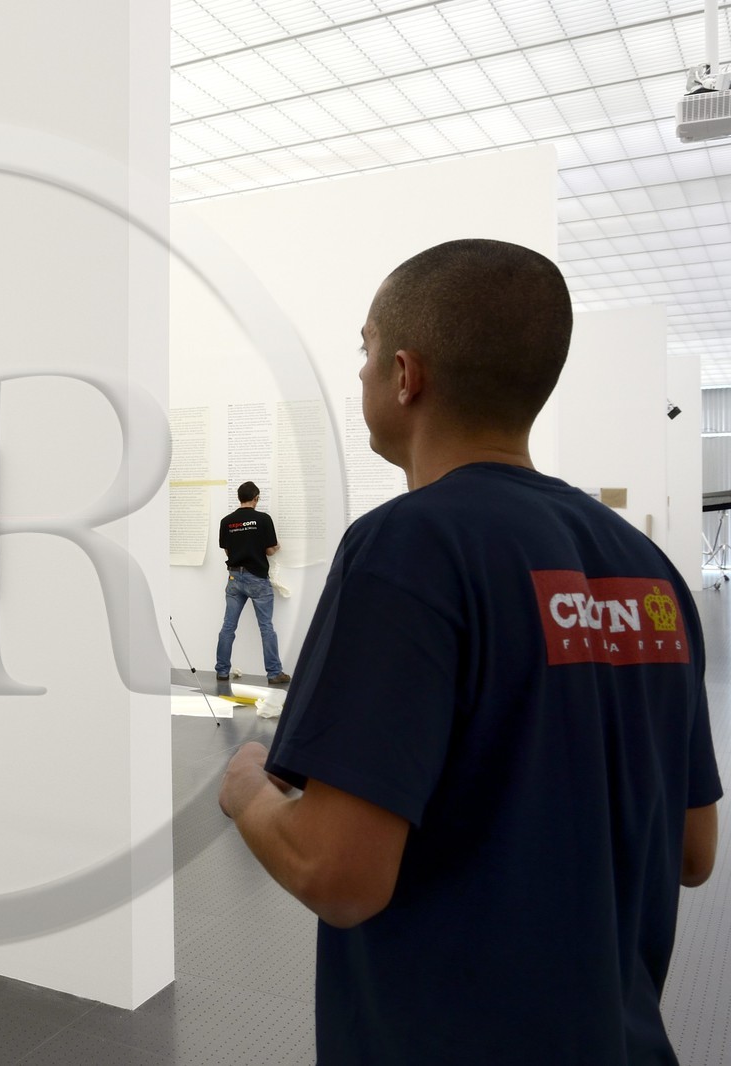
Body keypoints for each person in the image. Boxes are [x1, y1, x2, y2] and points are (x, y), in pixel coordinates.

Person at [218, 240, 722, 1064]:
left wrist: (246, 792)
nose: (361, 371)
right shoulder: (647, 568)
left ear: (404, 376)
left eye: (366, 350)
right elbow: (695, 853)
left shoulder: (405, 547)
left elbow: (338, 873)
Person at [214, 481, 289, 684]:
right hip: (257, 578)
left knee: (228, 626)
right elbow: (270, 550)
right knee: (266, 627)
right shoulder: (263, 519)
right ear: (256, 498)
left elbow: (227, 551)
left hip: (234, 578)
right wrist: (277, 547)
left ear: (239, 498)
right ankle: (274, 673)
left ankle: (222, 671)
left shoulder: (227, 521)